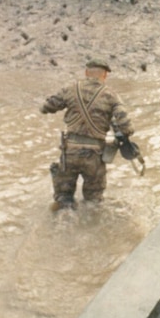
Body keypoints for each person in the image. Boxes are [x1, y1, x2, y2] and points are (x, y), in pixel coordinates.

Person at [41, 58, 135, 210]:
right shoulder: (111, 96)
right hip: (94, 156)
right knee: (93, 202)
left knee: (63, 199)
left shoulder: (70, 89)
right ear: (105, 75)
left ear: (86, 73)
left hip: (69, 153)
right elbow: (127, 127)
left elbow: (46, 107)